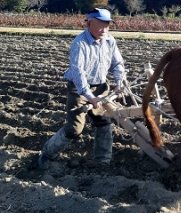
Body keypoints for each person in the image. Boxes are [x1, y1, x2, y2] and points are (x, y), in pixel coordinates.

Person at [37, 8, 125, 169]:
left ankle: (102, 161)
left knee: (104, 122)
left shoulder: (109, 40)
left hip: (101, 86)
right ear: (89, 23)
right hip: (79, 90)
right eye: (100, 25)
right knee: (74, 129)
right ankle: (47, 153)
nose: (104, 29)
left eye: (107, 25)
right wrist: (90, 96)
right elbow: (78, 74)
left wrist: (120, 81)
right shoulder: (80, 43)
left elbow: (117, 63)